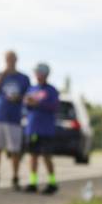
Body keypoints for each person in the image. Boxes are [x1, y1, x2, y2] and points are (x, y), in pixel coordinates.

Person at [0, 50, 31, 190]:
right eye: (7, 59)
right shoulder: (1, 75)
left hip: (14, 118)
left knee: (14, 150)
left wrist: (18, 98)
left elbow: (29, 97)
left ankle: (15, 177)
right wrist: (3, 75)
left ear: (16, 60)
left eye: (12, 59)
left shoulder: (23, 78)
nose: (10, 61)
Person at [23, 63, 59, 194]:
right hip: (32, 128)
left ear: (45, 74)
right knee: (33, 156)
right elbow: (26, 105)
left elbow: (54, 106)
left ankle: (52, 182)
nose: (37, 75)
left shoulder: (51, 90)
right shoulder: (31, 89)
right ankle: (33, 183)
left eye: (40, 72)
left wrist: (38, 103)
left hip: (46, 129)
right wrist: (28, 102)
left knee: (46, 156)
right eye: (36, 72)